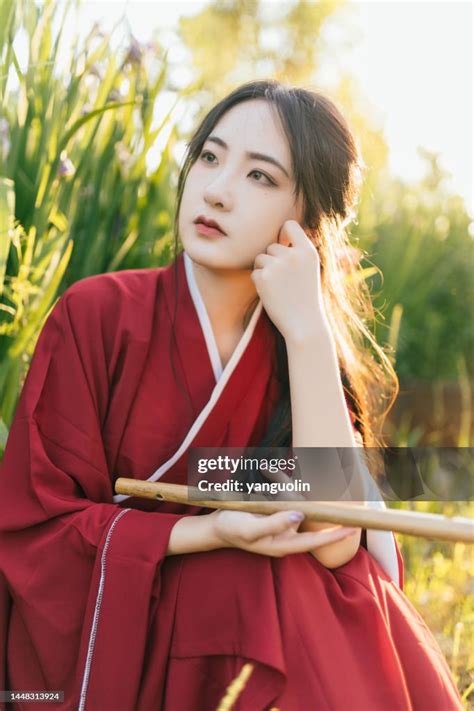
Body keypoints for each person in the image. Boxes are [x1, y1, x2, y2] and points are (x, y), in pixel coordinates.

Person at [0, 80, 462, 711]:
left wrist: (306, 331)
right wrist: (208, 533)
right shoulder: (96, 315)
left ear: (310, 223)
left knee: (309, 573)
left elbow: (334, 536)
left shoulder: (295, 348)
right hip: (122, 620)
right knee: (250, 572)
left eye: (261, 177)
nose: (216, 189)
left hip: (246, 611)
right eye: (210, 158)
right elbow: (33, 523)